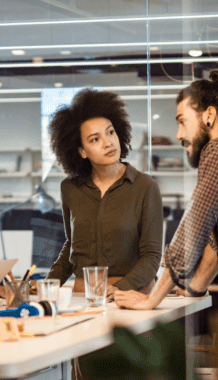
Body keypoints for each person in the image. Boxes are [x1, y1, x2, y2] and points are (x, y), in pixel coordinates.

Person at [115, 70, 218, 310]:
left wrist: (152, 298)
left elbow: (194, 228)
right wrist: (195, 287)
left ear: (209, 115)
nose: (179, 135)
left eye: (182, 121)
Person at [46, 89, 163, 296]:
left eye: (110, 132)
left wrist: (118, 290)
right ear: (81, 151)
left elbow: (152, 256)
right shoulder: (70, 188)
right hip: (82, 297)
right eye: (94, 139)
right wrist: (47, 285)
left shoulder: (145, 186)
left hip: (130, 295)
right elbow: (72, 246)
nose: (108, 143)